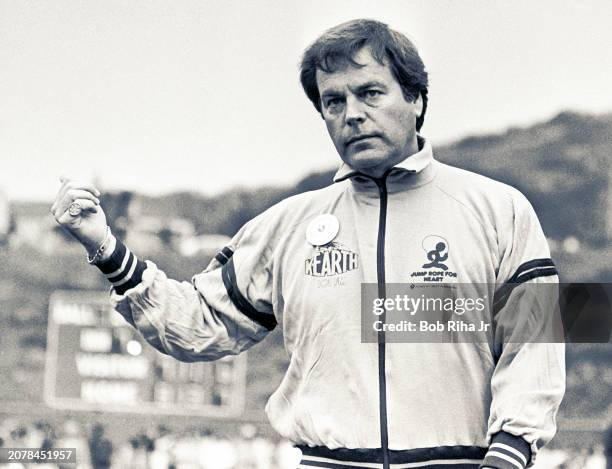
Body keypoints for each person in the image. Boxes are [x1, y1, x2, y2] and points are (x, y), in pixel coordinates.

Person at [51, 19, 565, 469]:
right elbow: (198, 325)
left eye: (371, 92)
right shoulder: (288, 225)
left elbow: (540, 341)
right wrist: (105, 247)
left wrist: (511, 451)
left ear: (416, 98)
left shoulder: (501, 208)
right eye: (334, 101)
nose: (353, 113)